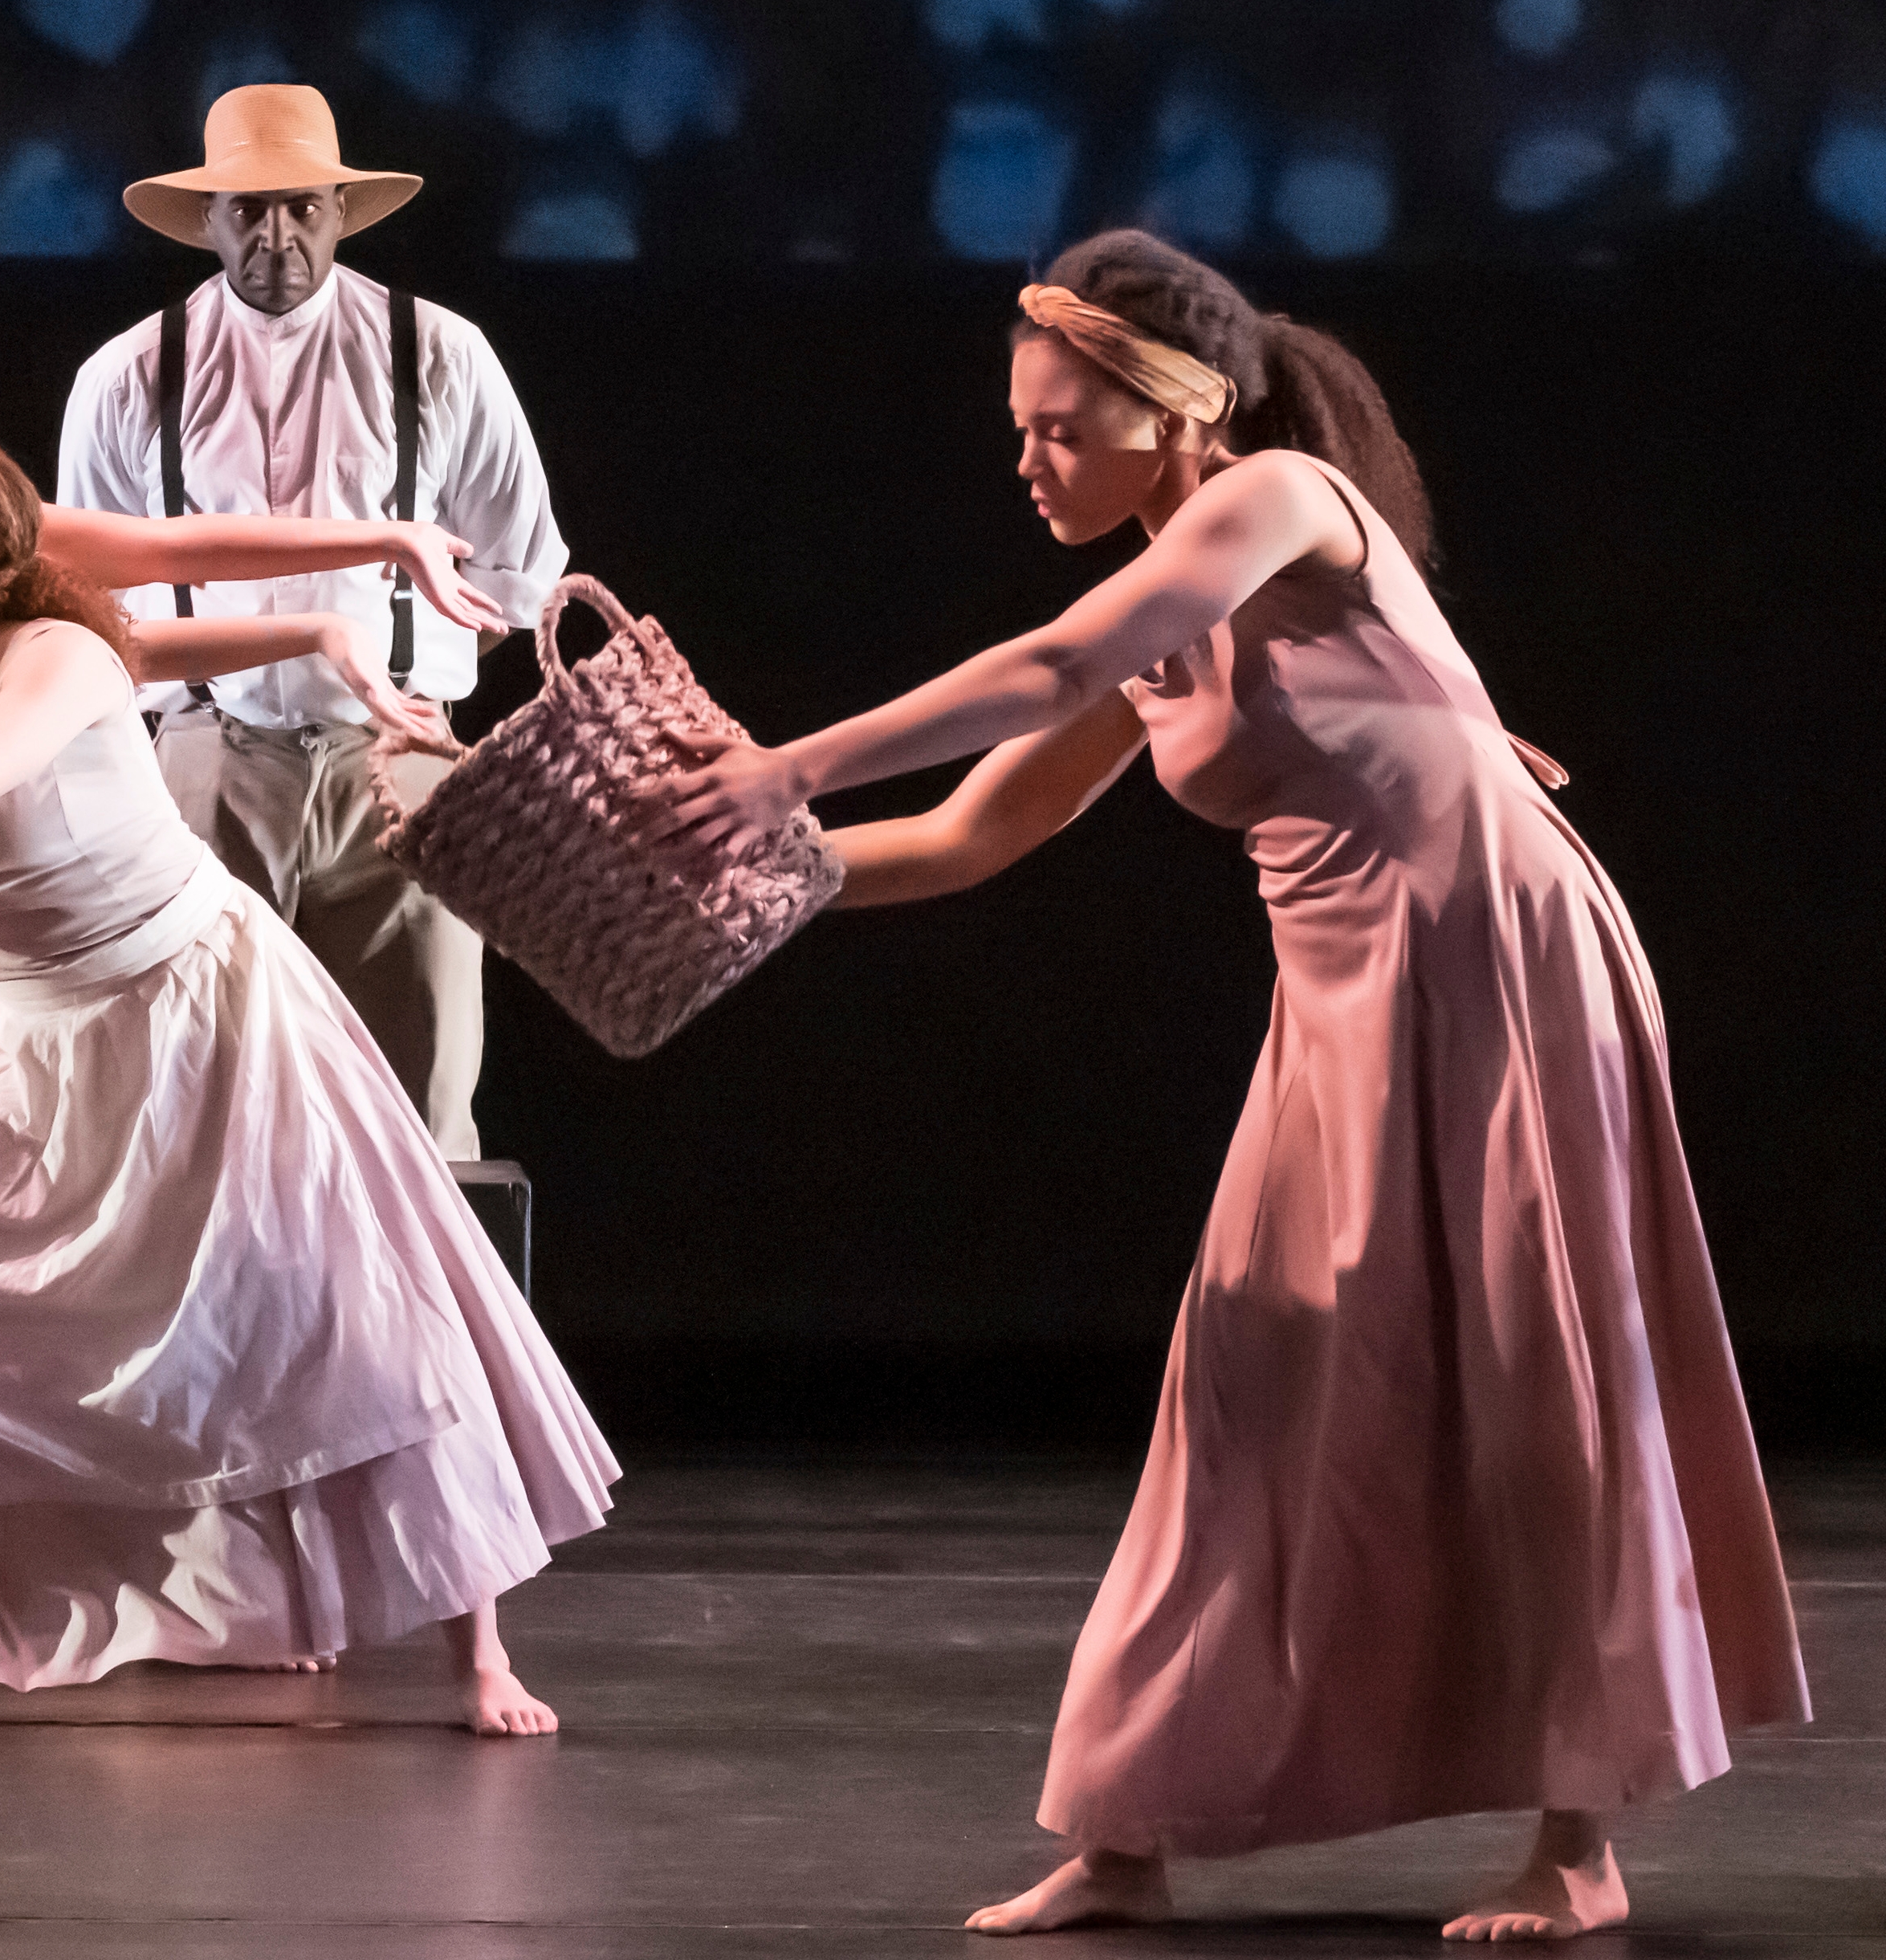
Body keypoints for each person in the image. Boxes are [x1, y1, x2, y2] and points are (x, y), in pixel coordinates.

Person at [637, 229, 1806, 1940]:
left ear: (1172, 412)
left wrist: (781, 764)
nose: (1023, 461)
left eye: (1056, 428)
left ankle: (1575, 1845)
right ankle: (1129, 1831)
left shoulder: (1271, 503)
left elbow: (1041, 663)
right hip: (1341, 997)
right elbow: (970, 837)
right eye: (1017, 428)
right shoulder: (1160, 616)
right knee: (1241, 1374)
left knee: (1520, 1362)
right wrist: (737, 867)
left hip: (1488, 959)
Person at [0, 430, 615, 1733]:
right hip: (32, 1043)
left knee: (353, 1313)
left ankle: (480, 1651)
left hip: (205, 1002)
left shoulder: (60, 656)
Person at [59, 83, 571, 1160]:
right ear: (207, 219)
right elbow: (88, 604)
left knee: (419, 1105)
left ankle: (423, 1326)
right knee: (193, 1098)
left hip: (396, 751)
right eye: (249, 210)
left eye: (301, 206)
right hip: (208, 748)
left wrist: (408, 678)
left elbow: (519, 568)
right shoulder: (125, 376)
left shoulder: (439, 354)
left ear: (342, 209)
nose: (277, 235)